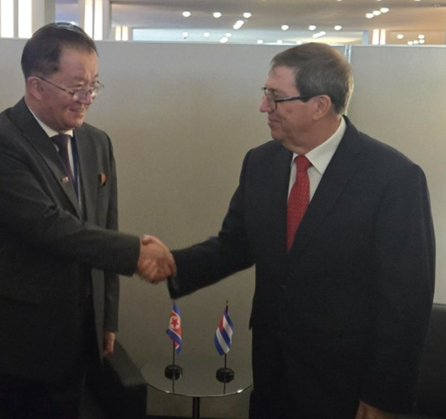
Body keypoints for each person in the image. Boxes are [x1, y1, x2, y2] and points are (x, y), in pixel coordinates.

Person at [162, 43, 435, 419]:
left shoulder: (393, 178)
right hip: (272, 374)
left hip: (346, 386)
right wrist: (170, 264)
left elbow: (407, 302)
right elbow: (236, 244)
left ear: (320, 105)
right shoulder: (261, 163)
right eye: (266, 94)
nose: (263, 107)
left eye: (276, 97)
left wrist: (383, 396)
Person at [0, 23, 173, 419]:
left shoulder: (96, 142)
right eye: (77, 88)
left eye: (93, 86)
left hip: (70, 349)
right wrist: (136, 253)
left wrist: (106, 319)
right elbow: (48, 226)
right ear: (36, 86)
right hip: (2, 350)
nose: (88, 98)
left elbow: (103, 227)